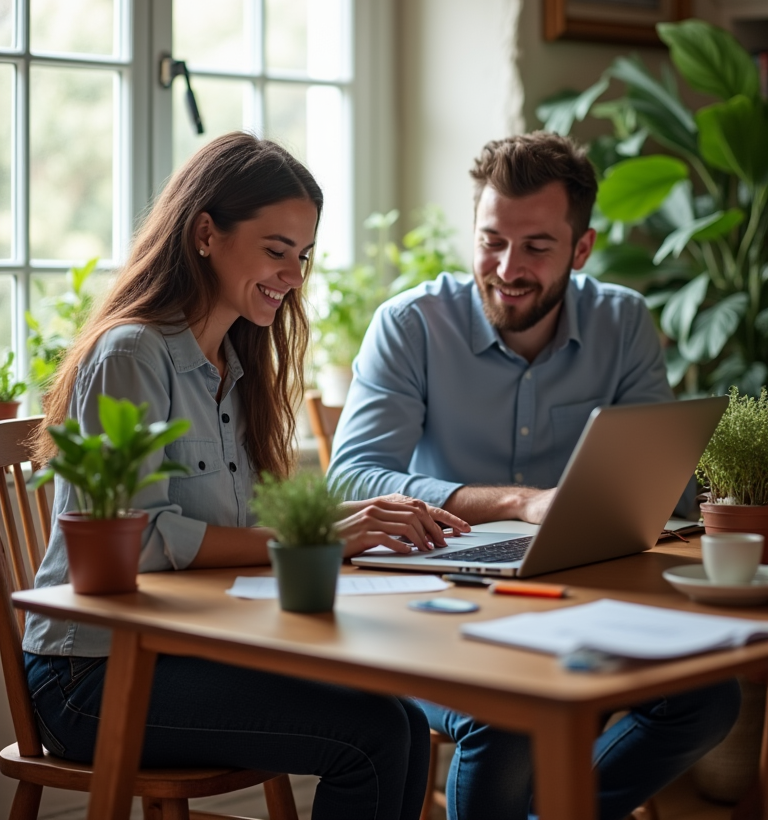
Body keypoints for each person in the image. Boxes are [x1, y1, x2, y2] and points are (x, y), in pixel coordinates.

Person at [23, 132, 469, 820]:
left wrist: (342, 532)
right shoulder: (133, 354)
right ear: (206, 233)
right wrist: (320, 540)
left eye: (304, 256)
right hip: (90, 676)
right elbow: (141, 542)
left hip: (182, 652)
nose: (293, 276)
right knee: (374, 736)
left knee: (402, 720)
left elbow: (242, 537)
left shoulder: (240, 366)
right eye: (275, 250)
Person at [328, 132, 741, 820]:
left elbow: (664, 492)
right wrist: (518, 504)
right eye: (491, 240)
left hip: (574, 600)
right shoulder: (411, 324)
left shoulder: (623, 322)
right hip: (431, 608)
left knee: (705, 700)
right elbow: (348, 481)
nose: (506, 267)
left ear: (581, 250)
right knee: (509, 716)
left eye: (536, 248)